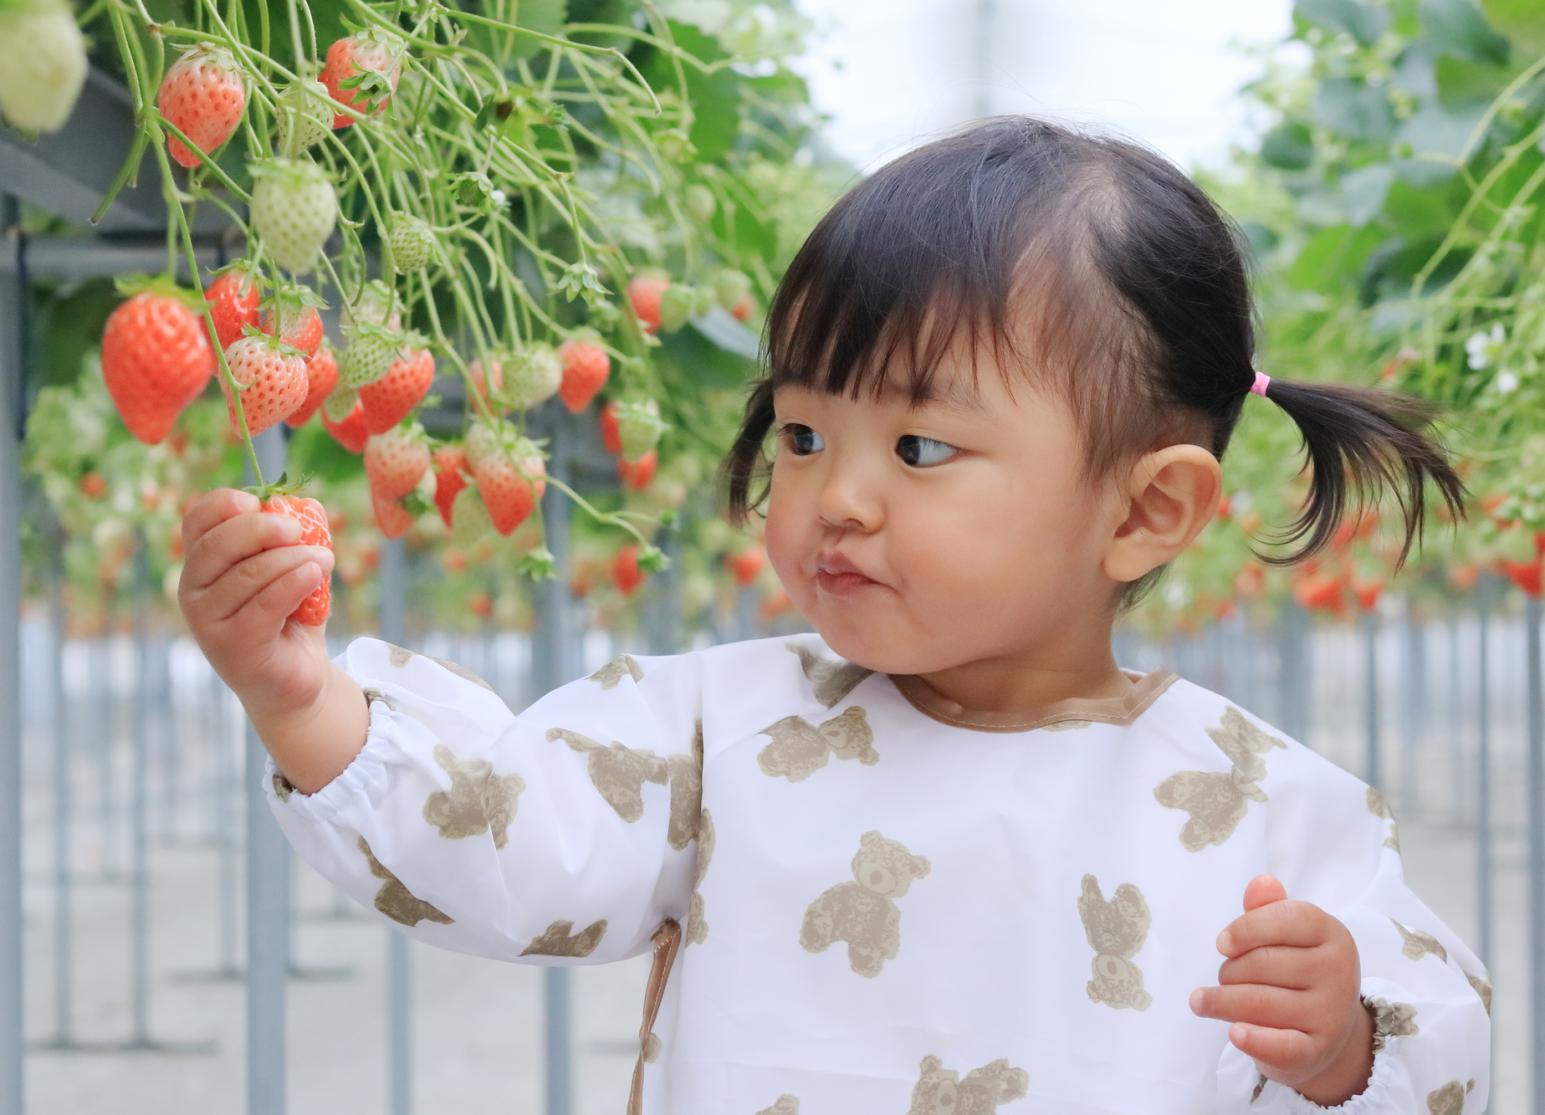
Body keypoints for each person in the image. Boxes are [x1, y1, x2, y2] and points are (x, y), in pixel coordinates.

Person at [178, 115, 1492, 1114]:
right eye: (803, 430)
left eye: (920, 451)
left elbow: (1444, 1041)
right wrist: (305, 701)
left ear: (1144, 513)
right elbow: (505, 840)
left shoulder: (1255, 805)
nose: (835, 497)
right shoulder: (714, 729)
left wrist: (1348, 1041)